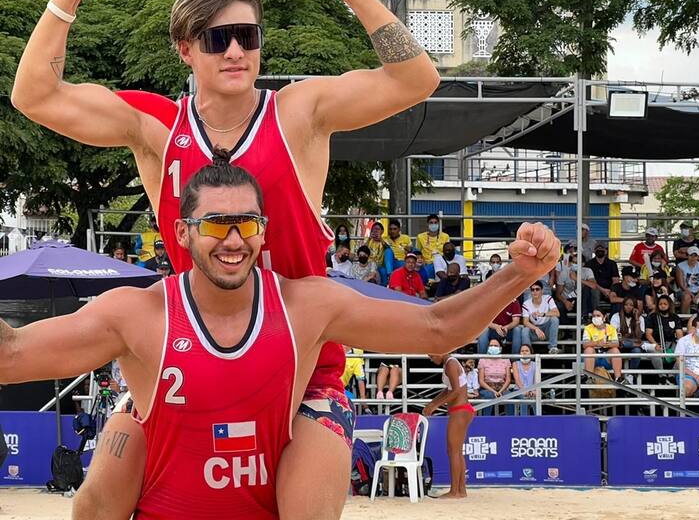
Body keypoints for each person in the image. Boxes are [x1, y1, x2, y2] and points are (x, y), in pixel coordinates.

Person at [12, 0, 442, 516]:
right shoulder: (156, 127)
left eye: (249, 36)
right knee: (94, 506)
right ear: (185, 49)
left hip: (303, 367)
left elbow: (417, 78)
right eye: (218, 39)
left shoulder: (298, 112)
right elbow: (33, 96)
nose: (237, 50)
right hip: (185, 361)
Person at [0, 163, 560, 517]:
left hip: (267, 489)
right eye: (217, 224)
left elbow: (439, 328)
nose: (234, 239)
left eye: (248, 224)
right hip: (164, 499)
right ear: (181, 233)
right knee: (95, 505)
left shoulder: (306, 304)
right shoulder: (136, 313)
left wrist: (520, 275)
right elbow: (12, 356)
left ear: (265, 231)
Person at [424, 354, 474, 499]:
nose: (431, 358)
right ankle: (461, 490)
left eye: (431, 355)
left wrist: (435, 406)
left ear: (441, 351)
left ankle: (455, 491)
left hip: (460, 410)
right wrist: (432, 403)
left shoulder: (451, 364)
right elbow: (448, 390)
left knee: (453, 451)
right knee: (457, 452)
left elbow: (456, 391)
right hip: (461, 409)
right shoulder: (449, 363)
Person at [582, 309, 626, 385]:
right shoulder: (588, 328)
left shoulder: (611, 328)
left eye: (598, 315)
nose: (595, 318)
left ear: (604, 317)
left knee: (615, 350)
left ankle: (618, 378)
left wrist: (608, 344)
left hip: (606, 358)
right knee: (588, 349)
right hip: (593, 358)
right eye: (594, 316)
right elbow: (585, 344)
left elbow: (616, 344)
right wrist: (598, 343)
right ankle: (589, 378)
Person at [644, 295, 683, 374]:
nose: (663, 306)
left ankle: (672, 375)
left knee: (682, 354)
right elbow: (648, 334)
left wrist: (681, 345)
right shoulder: (652, 317)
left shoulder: (675, 317)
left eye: (665, 304)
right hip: (655, 343)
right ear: (657, 305)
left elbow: (679, 334)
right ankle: (662, 376)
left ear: (669, 305)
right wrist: (655, 345)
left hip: (671, 344)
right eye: (660, 304)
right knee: (655, 354)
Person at [555, 252, 600, 320]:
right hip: (568, 299)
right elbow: (558, 294)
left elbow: (594, 286)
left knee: (588, 288)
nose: (574, 264)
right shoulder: (564, 273)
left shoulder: (587, 271)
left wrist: (576, 279)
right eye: (573, 262)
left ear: (583, 264)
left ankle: (586, 318)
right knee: (559, 306)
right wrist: (565, 302)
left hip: (582, 300)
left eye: (577, 262)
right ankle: (567, 329)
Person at [520, 281, 560, 355]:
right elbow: (525, 322)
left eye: (537, 289)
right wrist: (536, 329)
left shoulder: (548, 298)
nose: (535, 291)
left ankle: (553, 348)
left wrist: (543, 314)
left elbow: (557, 313)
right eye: (532, 290)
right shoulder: (526, 304)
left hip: (546, 330)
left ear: (542, 291)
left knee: (554, 319)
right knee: (525, 330)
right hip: (534, 330)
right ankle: (527, 353)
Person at [609, 297, 645, 377]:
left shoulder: (640, 318)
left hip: (632, 345)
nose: (628, 307)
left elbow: (639, 337)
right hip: (620, 345)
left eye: (631, 305)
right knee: (621, 343)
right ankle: (618, 375)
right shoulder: (616, 316)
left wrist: (636, 319)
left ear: (635, 307)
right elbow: (614, 336)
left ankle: (631, 376)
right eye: (626, 305)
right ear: (623, 306)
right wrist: (631, 340)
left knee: (637, 351)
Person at [477, 339, 512, 415]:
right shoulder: (483, 360)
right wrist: (493, 391)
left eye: (495, 346)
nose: (493, 347)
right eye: (491, 345)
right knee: (489, 396)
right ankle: (486, 421)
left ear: (500, 348)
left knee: (510, 396)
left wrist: (500, 391)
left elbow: (508, 379)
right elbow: (481, 381)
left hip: (502, 388)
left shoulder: (506, 360)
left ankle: (510, 421)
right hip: (487, 388)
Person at [675, 246, 699, 314]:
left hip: (698, 291)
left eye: (695, 256)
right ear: (687, 256)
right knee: (687, 297)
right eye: (691, 255)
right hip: (685, 291)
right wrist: (692, 295)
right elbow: (681, 285)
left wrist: (697, 295)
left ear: (698, 257)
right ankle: (683, 318)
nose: (693, 258)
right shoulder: (680, 266)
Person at [416, 214, 450, 280]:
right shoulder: (420, 237)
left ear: (438, 224)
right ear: (427, 224)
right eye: (431, 223)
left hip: (441, 263)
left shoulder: (445, 236)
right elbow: (418, 252)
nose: (433, 225)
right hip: (427, 264)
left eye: (435, 223)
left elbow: (448, 251)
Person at [341, 346, 370, 415]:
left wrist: (363, 398)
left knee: (351, 398)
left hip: (341, 390)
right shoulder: (331, 353)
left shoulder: (355, 359)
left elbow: (360, 379)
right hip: (325, 388)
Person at [511, 344, 536, 415]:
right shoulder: (515, 363)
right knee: (524, 398)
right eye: (522, 351)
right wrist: (524, 390)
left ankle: (538, 421)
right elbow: (517, 379)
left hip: (532, 390)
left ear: (531, 353)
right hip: (518, 390)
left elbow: (536, 380)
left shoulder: (535, 364)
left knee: (536, 398)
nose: (524, 352)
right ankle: (523, 420)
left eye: (527, 351)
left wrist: (533, 391)